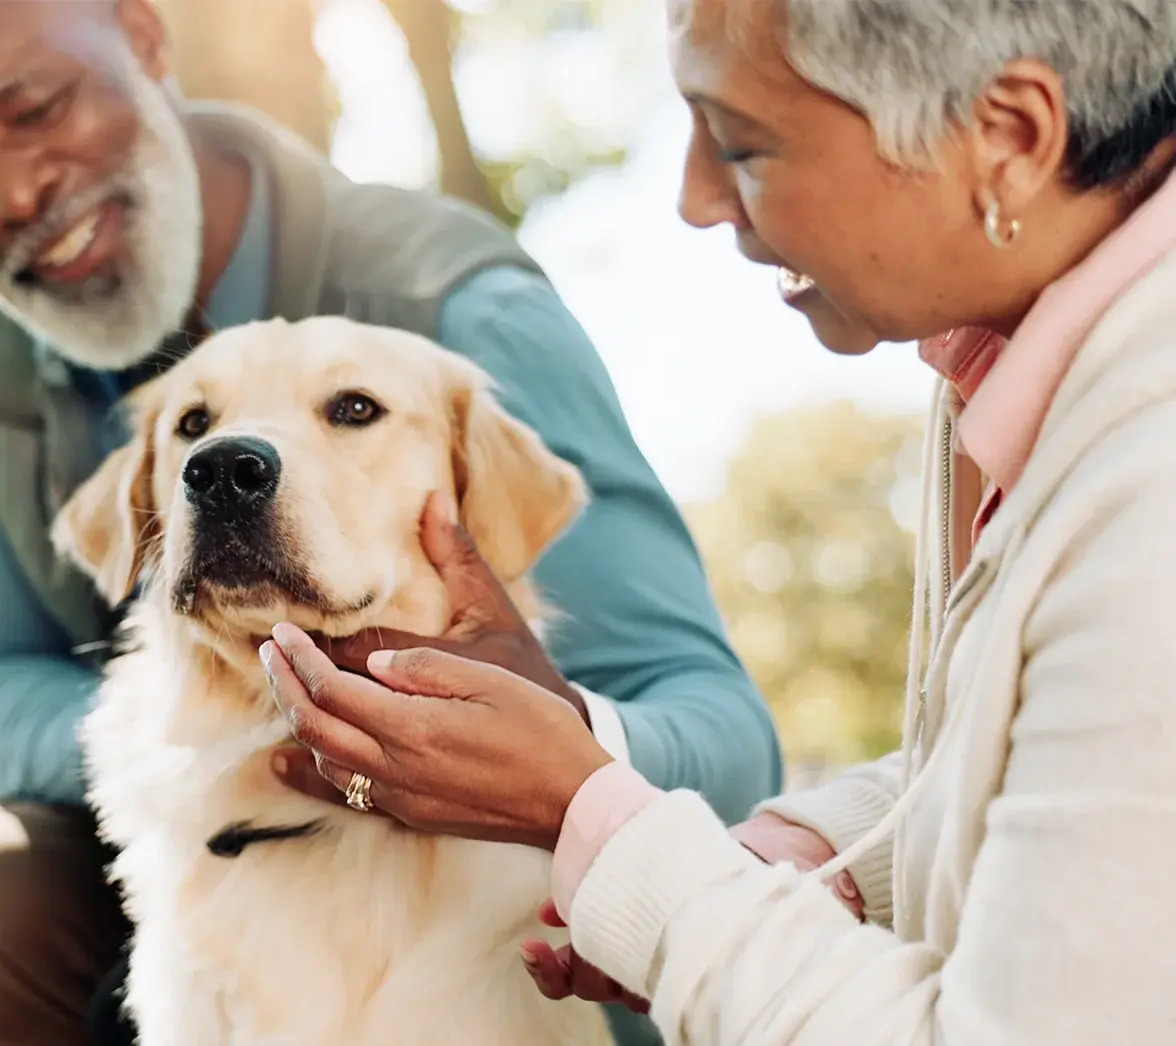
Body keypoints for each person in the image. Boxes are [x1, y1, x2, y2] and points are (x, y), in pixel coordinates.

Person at [0, 0, 783, 1041]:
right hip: (177, 839)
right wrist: (210, 751)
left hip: (495, 893)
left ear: (147, 38)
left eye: (37, 108)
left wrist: (520, 747)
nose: (13, 194)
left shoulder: (460, 306)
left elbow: (727, 736)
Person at [259, 0, 1176, 1040]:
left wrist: (590, 814)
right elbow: (1016, 780)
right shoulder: (1011, 363)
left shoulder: (1154, 492)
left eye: (741, 144)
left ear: (1008, 137)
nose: (696, 199)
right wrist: (746, 868)